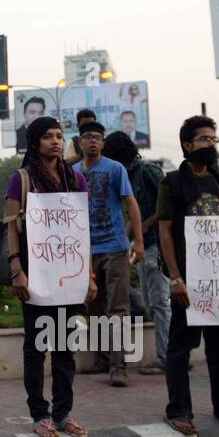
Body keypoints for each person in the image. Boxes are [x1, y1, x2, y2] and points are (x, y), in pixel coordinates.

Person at [159, 115, 219, 436]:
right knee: (181, 347)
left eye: (214, 139)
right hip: (188, 281)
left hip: (218, 281)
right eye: (204, 139)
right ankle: (179, 410)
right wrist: (175, 277)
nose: (211, 145)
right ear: (187, 145)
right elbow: (164, 232)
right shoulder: (172, 182)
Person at [5, 115, 97, 437]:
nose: (56, 142)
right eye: (48, 137)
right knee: (36, 346)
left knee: (64, 348)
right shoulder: (22, 179)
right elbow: (10, 229)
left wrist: (90, 275)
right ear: (35, 142)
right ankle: (39, 414)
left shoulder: (76, 181)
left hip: (70, 277)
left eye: (59, 136)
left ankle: (63, 413)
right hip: (35, 275)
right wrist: (17, 269)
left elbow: (83, 233)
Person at [74, 121, 144, 385]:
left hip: (115, 248)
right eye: (88, 137)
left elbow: (131, 204)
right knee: (94, 308)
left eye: (97, 138)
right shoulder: (72, 172)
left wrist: (137, 241)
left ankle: (119, 366)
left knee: (118, 309)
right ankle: (103, 359)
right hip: (86, 251)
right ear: (80, 142)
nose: (92, 141)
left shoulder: (115, 169)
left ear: (103, 143)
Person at [103, 131, 168, 375]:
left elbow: (168, 205)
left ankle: (166, 358)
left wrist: (144, 227)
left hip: (157, 245)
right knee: (152, 301)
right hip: (143, 244)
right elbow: (133, 214)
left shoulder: (148, 171)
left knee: (160, 302)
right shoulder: (125, 175)